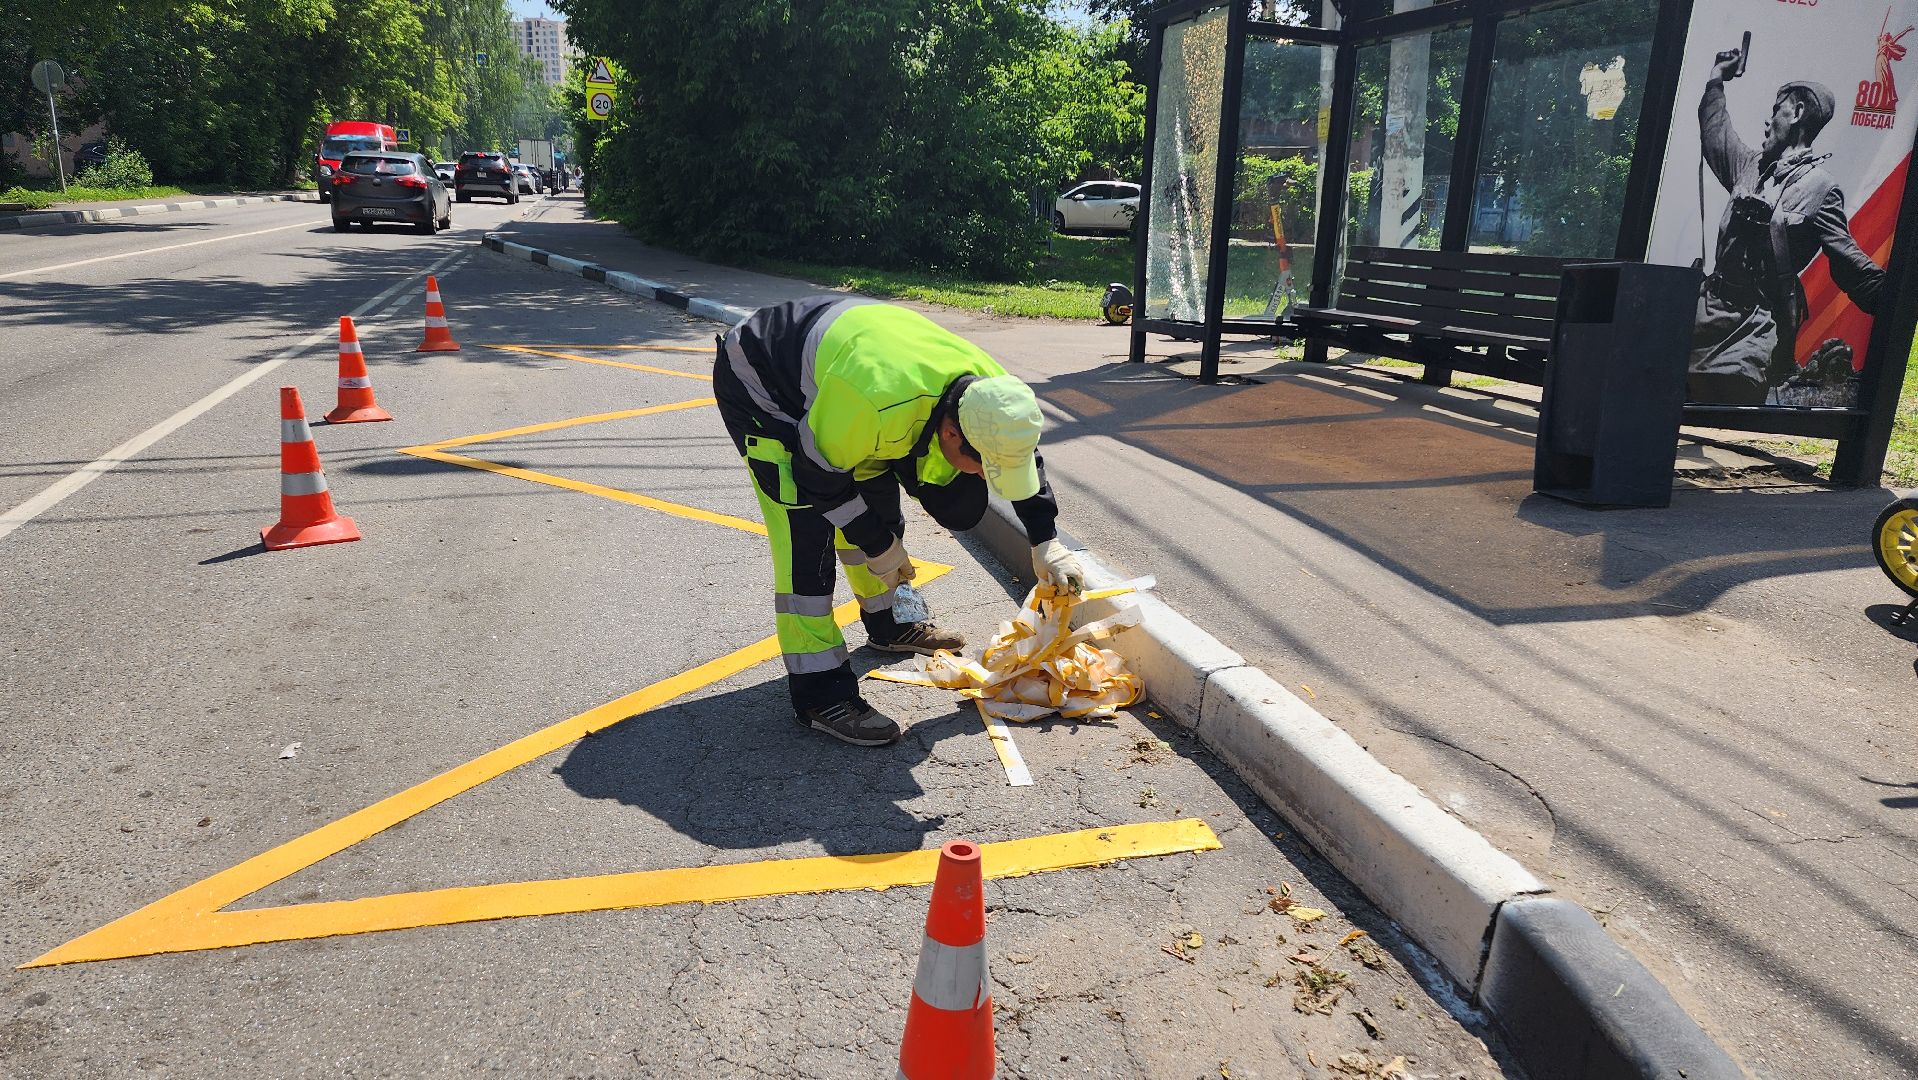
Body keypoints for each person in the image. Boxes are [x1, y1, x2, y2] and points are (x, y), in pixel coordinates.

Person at [714, 297, 1086, 746]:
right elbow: (819, 477)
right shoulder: (872, 405)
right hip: (765, 385)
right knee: (807, 538)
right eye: (982, 464)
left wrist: (1046, 540)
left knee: (880, 516)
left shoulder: (995, 397)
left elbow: (1021, 452)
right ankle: (819, 693)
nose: (985, 477)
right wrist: (876, 544)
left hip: (850, 389)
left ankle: (888, 623)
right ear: (951, 433)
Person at [1688, 46, 1885, 405]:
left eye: (1774, 111)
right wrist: (1717, 77)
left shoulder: (1821, 189)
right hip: (1706, 314)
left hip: (1753, 330)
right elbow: (1716, 132)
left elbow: (1849, 264)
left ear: (1797, 112)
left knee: (1724, 390)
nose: (1768, 121)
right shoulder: (1750, 165)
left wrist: (1898, 303)